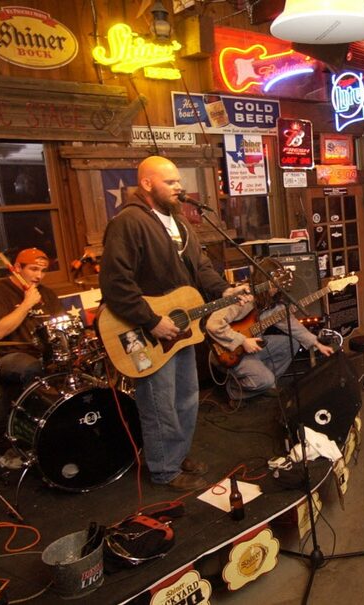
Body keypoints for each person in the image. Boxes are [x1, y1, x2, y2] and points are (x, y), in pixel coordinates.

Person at [99, 156, 246, 492]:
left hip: (180, 329)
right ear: (147, 184)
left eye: (179, 181)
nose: (179, 187)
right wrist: (151, 321)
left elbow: (202, 268)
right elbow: (115, 283)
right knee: (158, 403)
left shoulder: (180, 224)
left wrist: (225, 290)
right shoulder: (129, 222)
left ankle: (176, 455)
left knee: (186, 398)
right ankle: (164, 469)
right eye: (170, 182)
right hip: (146, 330)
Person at [206, 257, 334, 401]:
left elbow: (293, 326)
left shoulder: (274, 304)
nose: (278, 287)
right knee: (265, 380)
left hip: (253, 346)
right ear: (263, 281)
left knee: (291, 343)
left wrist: (317, 343)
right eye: (275, 283)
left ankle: (263, 383)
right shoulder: (243, 298)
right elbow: (213, 324)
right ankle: (234, 390)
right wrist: (242, 341)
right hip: (227, 352)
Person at [0, 247, 63, 387]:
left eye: (43, 271)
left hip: (45, 353)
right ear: (17, 268)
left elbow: (62, 325)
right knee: (32, 368)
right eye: (34, 269)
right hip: (11, 355)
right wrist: (27, 304)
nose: (39, 276)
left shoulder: (47, 294)